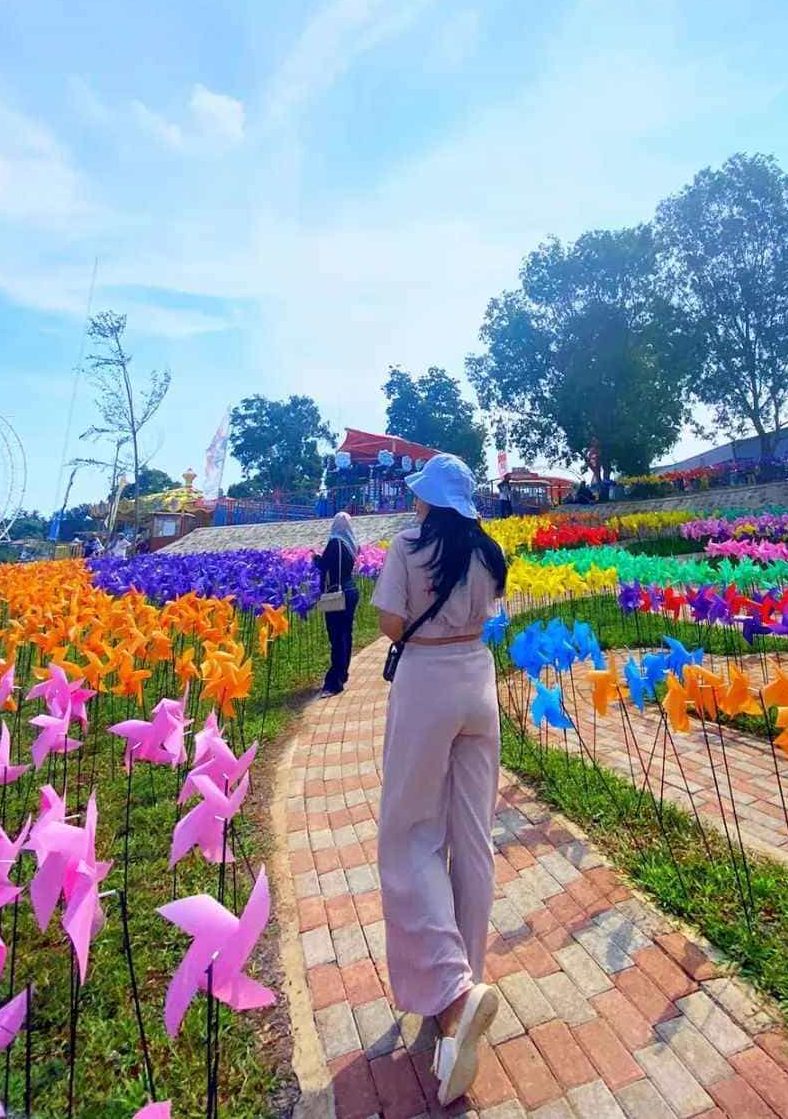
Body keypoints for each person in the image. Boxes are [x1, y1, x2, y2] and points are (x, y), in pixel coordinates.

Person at [372, 453, 508, 1106]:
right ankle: (466, 985)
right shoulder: (487, 552)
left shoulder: (409, 543)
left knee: (408, 836)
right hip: (478, 683)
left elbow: (390, 624)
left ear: (431, 500)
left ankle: (452, 994)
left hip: (426, 684)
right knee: (472, 835)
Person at [314, 512, 360, 696]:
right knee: (345, 634)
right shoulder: (351, 543)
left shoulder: (335, 542)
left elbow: (326, 566)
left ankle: (334, 682)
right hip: (350, 591)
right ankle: (343, 672)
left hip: (337, 593)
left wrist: (317, 560)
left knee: (336, 637)